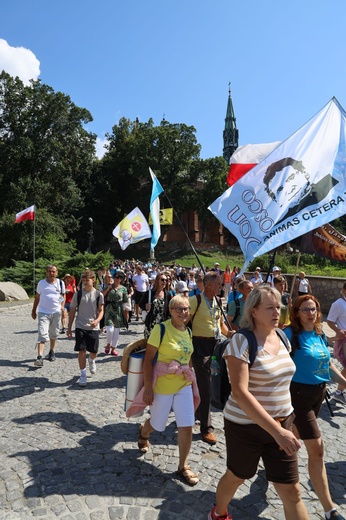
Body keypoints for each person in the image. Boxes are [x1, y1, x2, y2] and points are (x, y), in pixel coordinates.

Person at [208, 285, 309, 520]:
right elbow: (241, 394)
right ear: (253, 311)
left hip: (283, 422)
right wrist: (277, 432)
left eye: (279, 307)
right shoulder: (241, 342)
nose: (277, 312)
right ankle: (219, 512)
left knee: (292, 490)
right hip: (245, 427)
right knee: (238, 475)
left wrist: (286, 425)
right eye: (270, 307)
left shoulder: (283, 337)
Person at [284, 295, 346, 520]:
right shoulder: (290, 335)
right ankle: (330, 509)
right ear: (297, 312)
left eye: (314, 308)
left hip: (318, 395)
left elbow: (328, 365)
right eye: (305, 309)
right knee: (317, 449)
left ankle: (275, 453)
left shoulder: (320, 333)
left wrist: (345, 384)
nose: (310, 312)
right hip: (298, 395)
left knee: (293, 437)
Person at [131, 295, 200, 486]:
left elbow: (188, 357)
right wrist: (148, 389)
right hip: (162, 384)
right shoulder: (160, 329)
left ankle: (183, 466)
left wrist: (191, 375)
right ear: (170, 311)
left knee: (186, 425)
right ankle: (144, 432)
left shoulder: (188, 331)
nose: (183, 312)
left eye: (186, 309)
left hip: (183, 385)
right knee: (157, 423)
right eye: (178, 309)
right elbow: (148, 360)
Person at [190, 272, 232, 445]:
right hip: (199, 347)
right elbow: (182, 321)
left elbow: (220, 324)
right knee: (206, 386)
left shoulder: (217, 302)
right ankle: (206, 428)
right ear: (208, 285)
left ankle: (199, 412)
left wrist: (229, 333)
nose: (221, 286)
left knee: (209, 383)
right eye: (218, 284)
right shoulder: (195, 301)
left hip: (215, 346)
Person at [67, 270, 104, 387]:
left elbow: (101, 310)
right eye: (83, 280)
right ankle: (83, 374)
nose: (85, 282)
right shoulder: (78, 294)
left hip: (93, 327)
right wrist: (69, 328)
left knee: (94, 351)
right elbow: (72, 311)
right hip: (80, 326)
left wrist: (97, 320)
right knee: (81, 350)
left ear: (93, 280)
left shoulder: (99, 294)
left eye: (87, 280)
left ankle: (92, 360)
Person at [31, 264, 65, 367]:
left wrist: (62, 306)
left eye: (53, 271)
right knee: (42, 333)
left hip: (56, 312)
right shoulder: (41, 283)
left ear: (57, 273)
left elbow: (62, 296)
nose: (52, 273)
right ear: (46, 272)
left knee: (53, 333)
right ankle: (40, 357)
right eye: (50, 271)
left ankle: (51, 351)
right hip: (43, 312)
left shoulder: (60, 283)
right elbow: (37, 297)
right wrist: (34, 310)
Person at [327, 281, 346, 404]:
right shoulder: (338, 304)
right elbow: (329, 321)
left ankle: (340, 391)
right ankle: (339, 392)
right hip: (343, 339)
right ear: (344, 290)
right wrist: (338, 330)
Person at [103, 271, 129, 356]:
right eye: (114, 277)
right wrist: (108, 288)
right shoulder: (108, 286)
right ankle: (108, 344)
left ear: (121, 279)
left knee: (116, 330)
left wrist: (125, 311)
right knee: (110, 329)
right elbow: (101, 295)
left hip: (118, 310)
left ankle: (113, 348)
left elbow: (125, 300)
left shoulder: (123, 289)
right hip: (109, 309)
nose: (115, 279)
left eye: (118, 278)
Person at [144, 273, 170, 339]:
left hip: (163, 323)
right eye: (162, 280)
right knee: (149, 342)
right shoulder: (149, 293)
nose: (164, 282)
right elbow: (141, 305)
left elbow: (169, 309)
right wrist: (146, 307)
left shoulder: (167, 294)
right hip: (151, 322)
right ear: (157, 281)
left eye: (166, 280)